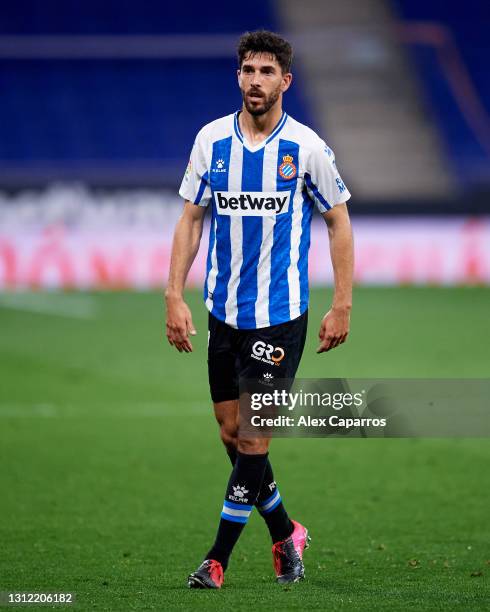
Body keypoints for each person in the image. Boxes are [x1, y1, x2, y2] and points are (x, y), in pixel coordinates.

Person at [165, 29, 353, 589]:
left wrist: (341, 303)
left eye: (267, 72)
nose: (255, 80)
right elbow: (190, 219)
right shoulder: (211, 141)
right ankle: (285, 533)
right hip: (223, 312)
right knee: (231, 433)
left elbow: (338, 221)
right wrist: (174, 294)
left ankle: (216, 559)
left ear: (285, 81)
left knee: (253, 438)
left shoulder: (307, 149)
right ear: (238, 76)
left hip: (281, 316)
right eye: (248, 70)